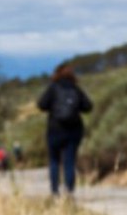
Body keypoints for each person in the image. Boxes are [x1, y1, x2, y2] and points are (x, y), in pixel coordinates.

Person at [37, 63, 93, 198]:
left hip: (55, 129)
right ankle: (69, 191)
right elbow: (88, 107)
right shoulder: (76, 89)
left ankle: (54, 191)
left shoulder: (53, 88)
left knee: (54, 160)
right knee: (69, 161)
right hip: (73, 130)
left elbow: (41, 104)